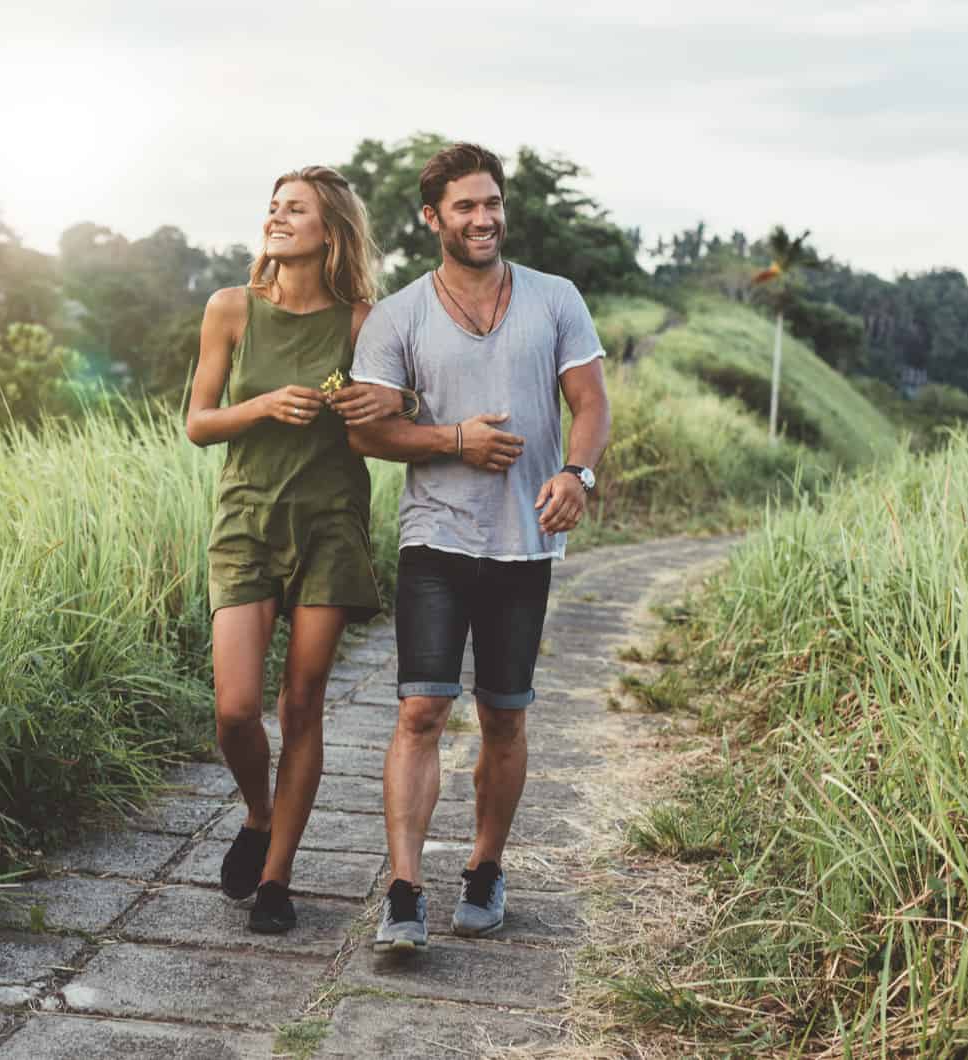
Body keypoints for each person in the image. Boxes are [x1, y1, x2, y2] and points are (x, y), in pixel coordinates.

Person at [346, 143, 611, 951]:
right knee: (422, 708)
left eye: (491, 202)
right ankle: (403, 890)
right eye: (464, 206)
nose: (483, 217)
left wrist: (578, 474)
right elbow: (370, 431)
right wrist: (455, 440)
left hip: (525, 542)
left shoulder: (554, 298)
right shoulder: (399, 315)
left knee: (503, 716)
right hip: (437, 536)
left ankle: (486, 868)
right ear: (432, 218)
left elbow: (590, 402)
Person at [185, 166, 403, 934]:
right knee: (236, 709)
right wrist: (264, 405)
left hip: (330, 524)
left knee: (302, 704)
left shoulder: (362, 323)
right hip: (245, 520)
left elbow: (392, 414)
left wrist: (384, 400)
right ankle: (256, 812)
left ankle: (276, 879)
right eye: (273, 207)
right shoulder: (231, 309)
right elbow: (199, 422)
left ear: (329, 231)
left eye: (295, 210)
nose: (277, 218)